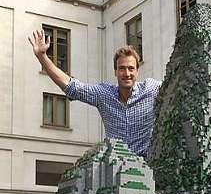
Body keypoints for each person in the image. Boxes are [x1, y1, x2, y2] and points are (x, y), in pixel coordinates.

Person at [28, 29, 161, 157]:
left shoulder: (151, 89)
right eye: (122, 69)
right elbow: (73, 87)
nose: (127, 74)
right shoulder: (104, 95)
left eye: (131, 68)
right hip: (116, 169)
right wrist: (42, 57)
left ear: (137, 71)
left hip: (146, 167)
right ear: (115, 72)